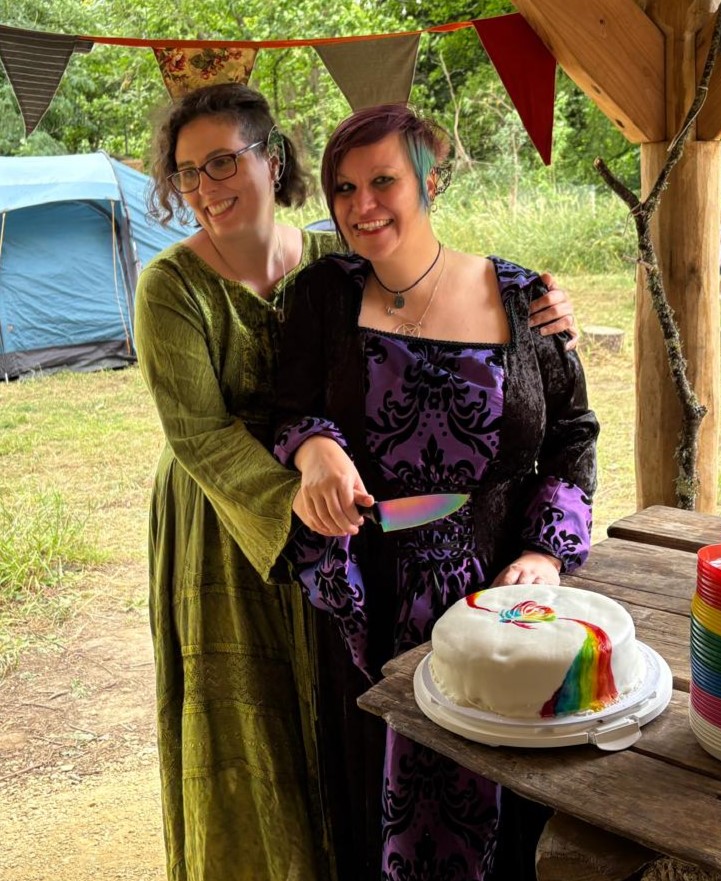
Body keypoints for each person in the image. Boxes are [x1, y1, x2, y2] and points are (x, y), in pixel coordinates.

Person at [133, 82, 582, 881]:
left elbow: (440, 302)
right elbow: (202, 432)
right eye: (188, 171)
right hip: (230, 519)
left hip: (348, 535)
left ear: (271, 160)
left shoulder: (328, 266)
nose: (207, 185)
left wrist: (541, 313)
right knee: (251, 719)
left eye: (225, 160)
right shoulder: (170, 287)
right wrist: (309, 474)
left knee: (333, 720)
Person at [273, 104, 600, 881]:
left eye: (383, 181)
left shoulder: (524, 299)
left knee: (510, 797)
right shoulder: (322, 294)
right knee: (374, 795)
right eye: (343, 187)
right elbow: (281, 405)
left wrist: (542, 553)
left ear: (432, 180)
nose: (361, 205)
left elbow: (572, 435)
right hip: (369, 602)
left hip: (502, 599)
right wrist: (314, 445)